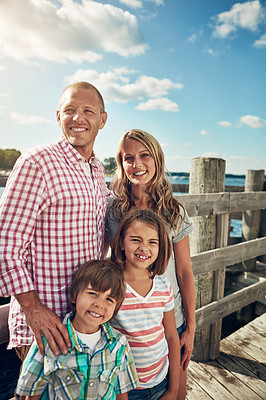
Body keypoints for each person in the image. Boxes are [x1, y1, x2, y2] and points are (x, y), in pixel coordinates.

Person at [0, 82, 109, 362]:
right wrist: (33, 309)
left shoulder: (96, 169)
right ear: (58, 116)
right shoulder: (37, 162)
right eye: (70, 110)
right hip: (46, 323)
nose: (78, 117)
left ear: (102, 119)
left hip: (84, 321)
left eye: (87, 110)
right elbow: (5, 245)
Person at [105, 129, 195, 399]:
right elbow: (104, 261)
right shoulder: (112, 209)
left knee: (175, 392)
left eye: (145, 155)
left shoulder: (173, 211)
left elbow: (184, 272)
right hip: (124, 323)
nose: (137, 164)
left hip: (170, 322)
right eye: (128, 158)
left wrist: (190, 327)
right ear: (121, 164)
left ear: (157, 159)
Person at [15, 260, 139, 400]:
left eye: (109, 299)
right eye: (93, 293)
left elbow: (121, 393)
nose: (99, 304)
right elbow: (32, 394)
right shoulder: (49, 341)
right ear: (74, 296)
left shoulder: (119, 344)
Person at [110, 209, 180, 399]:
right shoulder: (111, 287)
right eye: (135, 240)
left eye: (152, 242)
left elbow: (172, 336)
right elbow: (105, 344)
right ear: (122, 243)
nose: (144, 248)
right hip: (126, 390)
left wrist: (173, 389)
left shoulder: (163, 285)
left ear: (161, 247)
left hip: (161, 383)